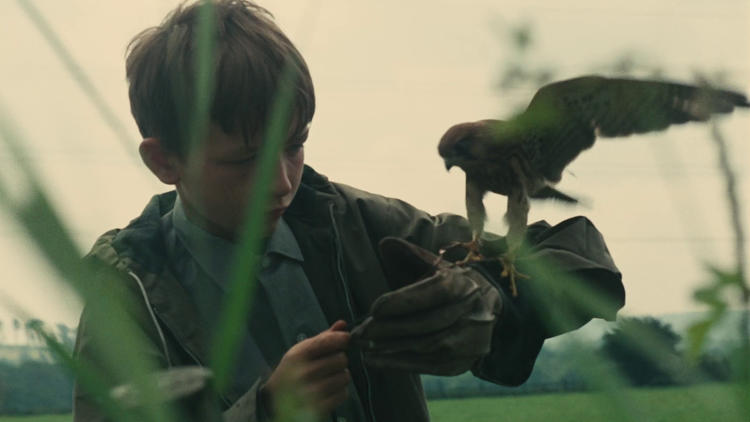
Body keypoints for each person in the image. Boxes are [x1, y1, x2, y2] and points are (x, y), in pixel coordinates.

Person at [72, 1, 625, 421]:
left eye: (294, 145)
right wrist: (265, 411)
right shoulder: (127, 291)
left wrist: (489, 298)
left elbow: (579, 258)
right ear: (164, 160)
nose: (284, 182)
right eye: (246, 161)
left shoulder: (357, 225)